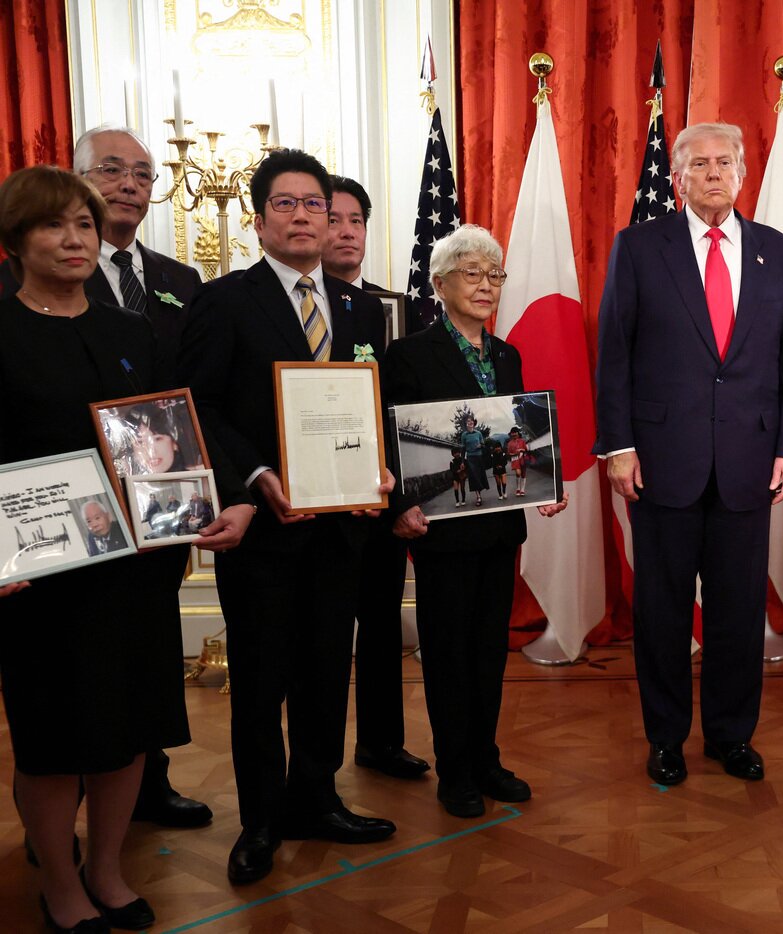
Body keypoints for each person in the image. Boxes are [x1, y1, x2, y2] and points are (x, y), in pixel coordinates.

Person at [0, 165, 253, 932]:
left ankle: (107, 869)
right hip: (38, 580)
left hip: (134, 571)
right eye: (54, 225)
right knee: (51, 740)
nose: (74, 239)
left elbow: (167, 437)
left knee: (127, 726)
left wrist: (211, 502)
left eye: (83, 223)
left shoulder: (132, 332)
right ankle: (61, 881)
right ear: (16, 241)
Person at [178, 149, 396, 885]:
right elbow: (200, 404)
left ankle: (316, 797)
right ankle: (262, 819)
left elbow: (374, 407)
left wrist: (382, 466)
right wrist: (258, 474)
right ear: (261, 216)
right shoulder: (226, 300)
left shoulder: (359, 307)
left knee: (327, 670)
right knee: (264, 676)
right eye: (288, 204)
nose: (305, 217)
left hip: (340, 527)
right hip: (263, 529)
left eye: (318, 206)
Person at [594, 122, 783, 786]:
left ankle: (730, 735)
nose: (713, 173)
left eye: (725, 162)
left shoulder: (780, 251)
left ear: (742, 174)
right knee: (660, 611)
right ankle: (665, 739)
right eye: (699, 164)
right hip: (661, 461)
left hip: (749, 460)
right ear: (678, 176)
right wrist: (621, 449)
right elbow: (615, 353)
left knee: (739, 610)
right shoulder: (638, 247)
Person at [381, 224, 568, 818]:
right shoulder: (408, 354)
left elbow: (519, 437)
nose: (486, 285)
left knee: (489, 649)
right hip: (439, 531)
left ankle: (486, 758)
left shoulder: (507, 354)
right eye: (472, 273)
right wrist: (397, 507)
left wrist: (543, 484)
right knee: (447, 651)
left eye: (495, 275)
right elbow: (393, 441)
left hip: (499, 529)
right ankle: (454, 769)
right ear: (439, 284)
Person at [325, 175, 428, 783]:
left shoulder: (399, 310)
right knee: (326, 633)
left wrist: (405, 497)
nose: (345, 231)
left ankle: (382, 743)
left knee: (384, 623)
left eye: (355, 220)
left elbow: (411, 410)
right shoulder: (289, 307)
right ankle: (317, 762)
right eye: (333, 218)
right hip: (315, 501)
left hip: (385, 494)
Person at [460, 416, 488, 507]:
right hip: (470, 458)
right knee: (474, 477)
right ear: (466, 423)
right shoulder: (464, 435)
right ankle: (478, 497)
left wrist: (480, 445)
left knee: (479, 477)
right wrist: (462, 462)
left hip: (479, 457)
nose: (470, 422)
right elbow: (463, 449)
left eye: (471, 421)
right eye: (468, 421)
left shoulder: (478, 433)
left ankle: (479, 494)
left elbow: (483, 444)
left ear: (474, 422)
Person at [507, 427, 528, 496]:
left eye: (515, 432)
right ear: (511, 434)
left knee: (523, 474)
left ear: (518, 433)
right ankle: (518, 488)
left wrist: (521, 449)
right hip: (515, 459)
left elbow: (526, 449)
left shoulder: (522, 441)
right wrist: (514, 454)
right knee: (518, 473)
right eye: (512, 433)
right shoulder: (510, 443)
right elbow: (509, 453)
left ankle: (522, 490)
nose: (514, 434)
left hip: (523, 459)